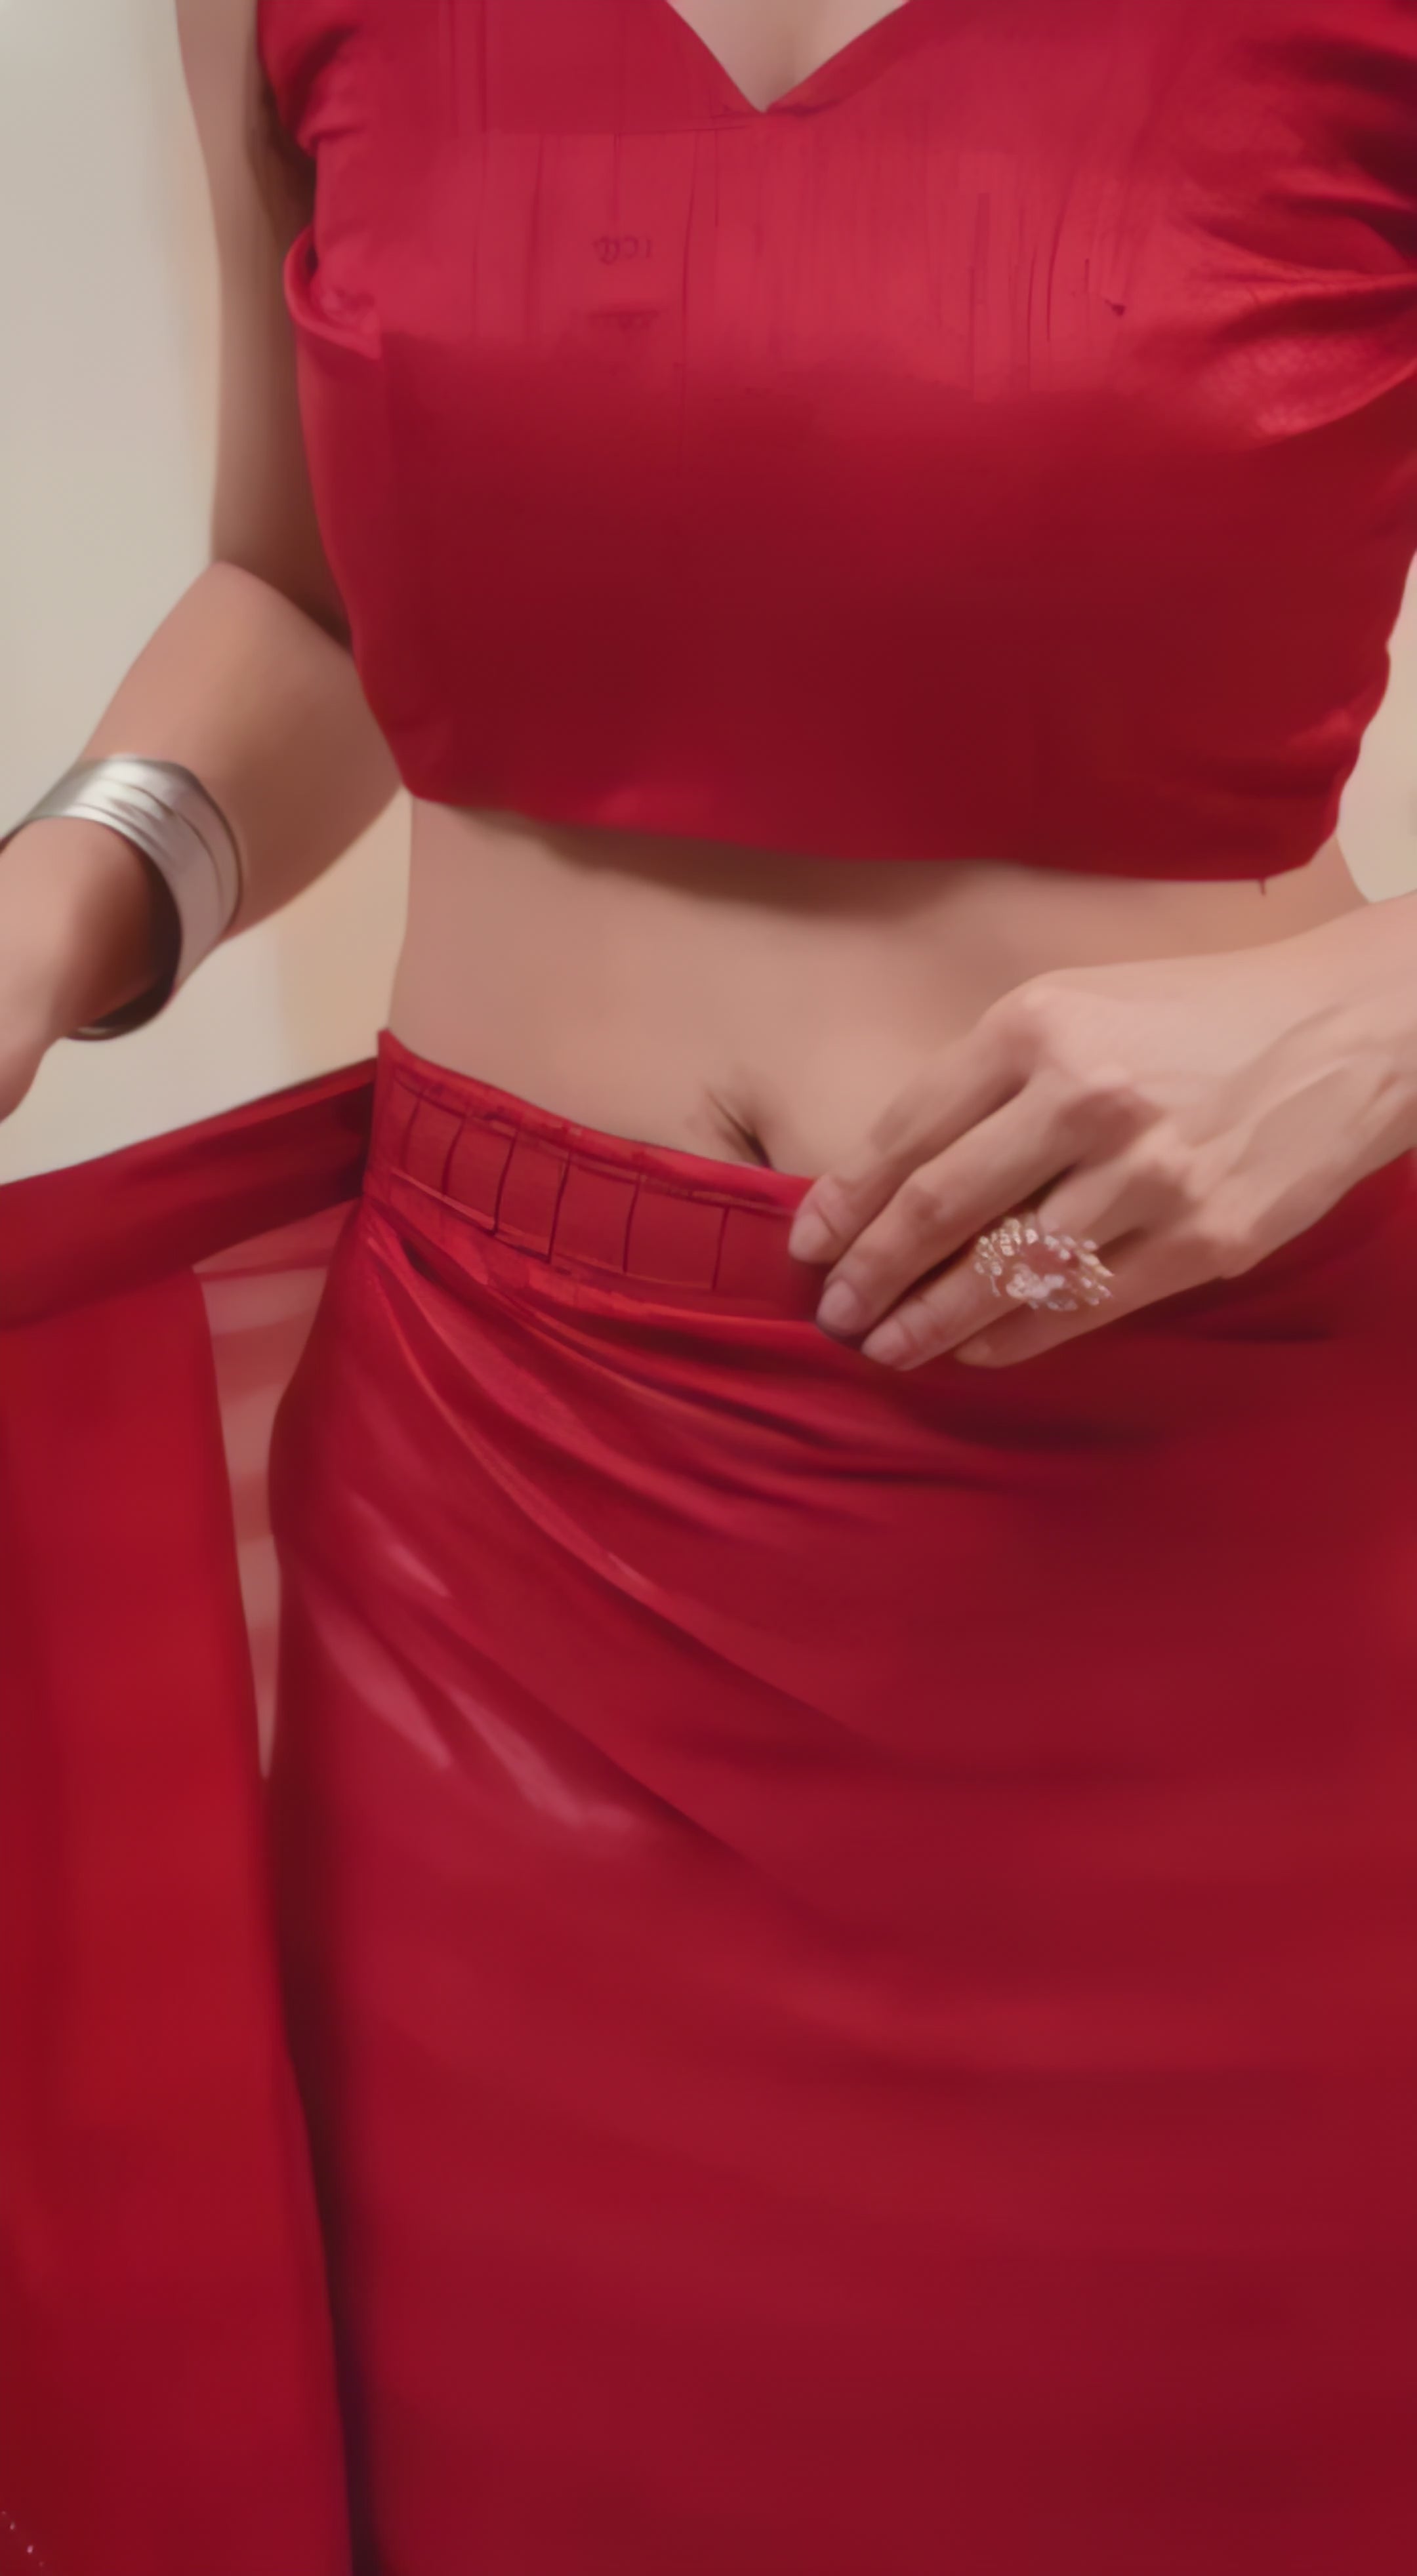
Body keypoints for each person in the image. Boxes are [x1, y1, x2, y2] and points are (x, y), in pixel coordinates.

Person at [2, 2, 1416, 2570]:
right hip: (514, 1565)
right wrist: (63, 891)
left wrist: (1384, 1011)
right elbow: (303, 598)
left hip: (1217, 1565)